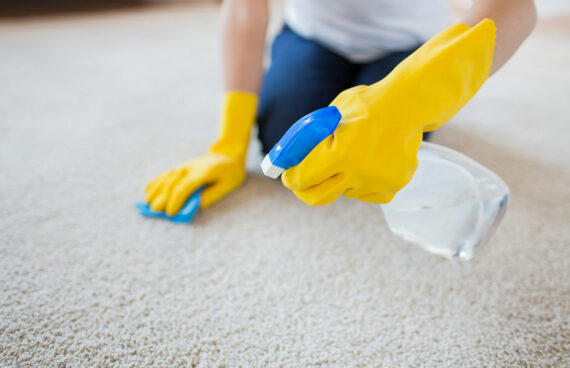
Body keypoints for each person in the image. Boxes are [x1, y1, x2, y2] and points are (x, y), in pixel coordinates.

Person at [144, 0, 537, 215]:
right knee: (285, 132)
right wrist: (229, 142)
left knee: (384, 141)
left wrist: (404, 100)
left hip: (408, 48)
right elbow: (245, 6)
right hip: (314, 37)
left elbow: (516, 7)